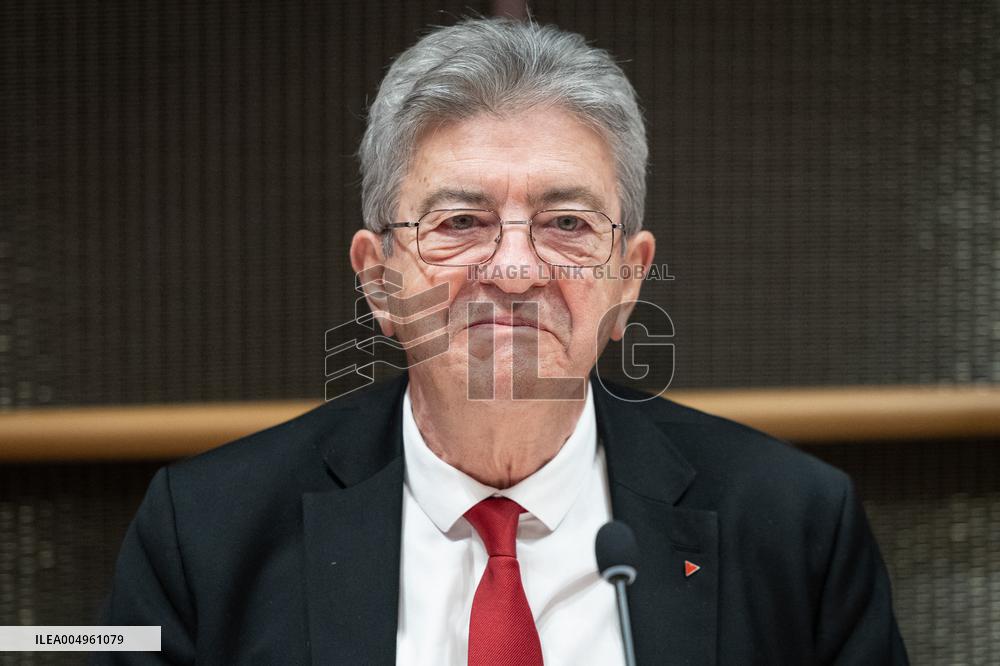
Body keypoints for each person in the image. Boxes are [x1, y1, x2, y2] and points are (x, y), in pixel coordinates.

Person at [94, 17, 908, 665]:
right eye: (460, 222)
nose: (515, 269)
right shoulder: (205, 533)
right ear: (378, 280)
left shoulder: (795, 525)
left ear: (628, 278)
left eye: (567, 224)